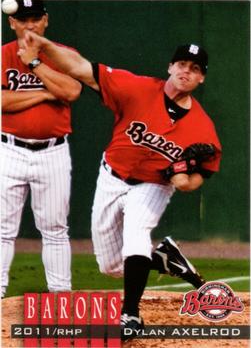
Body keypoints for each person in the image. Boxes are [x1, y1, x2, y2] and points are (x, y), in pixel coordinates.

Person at [20, 32, 222, 340]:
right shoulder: (137, 89)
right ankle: (166, 258)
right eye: (182, 63)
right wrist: (44, 46)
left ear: (202, 79)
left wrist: (181, 176)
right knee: (111, 265)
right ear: (170, 67)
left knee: (136, 236)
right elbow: (80, 68)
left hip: (153, 186)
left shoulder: (203, 129)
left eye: (195, 69)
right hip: (111, 177)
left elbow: (193, 182)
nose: (186, 71)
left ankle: (130, 315)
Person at [1, 0, 82, 298]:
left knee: (55, 228)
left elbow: (72, 91)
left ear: (45, 20)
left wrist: (36, 63)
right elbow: (1, 102)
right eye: (23, 20)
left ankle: (61, 296)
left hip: (53, 152)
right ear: (12, 23)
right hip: (9, 151)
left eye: (35, 18)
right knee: (2, 230)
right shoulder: (3, 55)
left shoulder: (63, 55)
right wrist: (47, 92)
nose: (30, 25)